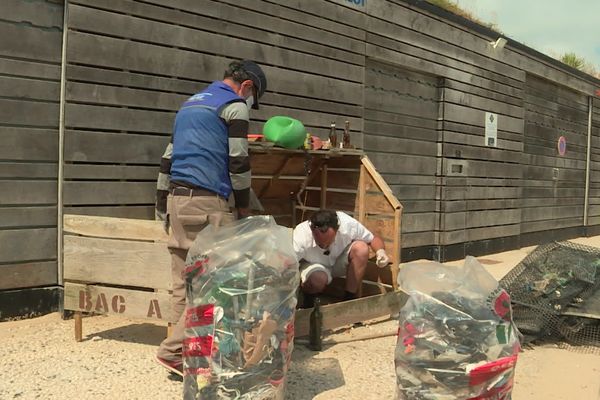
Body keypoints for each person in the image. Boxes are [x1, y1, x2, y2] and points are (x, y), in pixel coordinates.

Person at [155, 60, 267, 376]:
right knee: (216, 282)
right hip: (209, 203)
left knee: (183, 283)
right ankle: (174, 351)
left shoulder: (189, 106)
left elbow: (168, 158)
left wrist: (162, 206)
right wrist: (243, 208)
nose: (250, 105)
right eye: (252, 97)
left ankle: (186, 357)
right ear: (246, 87)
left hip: (178, 200)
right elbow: (239, 162)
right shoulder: (233, 107)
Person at [292, 209, 390, 308]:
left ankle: (349, 300)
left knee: (361, 248)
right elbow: (288, 263)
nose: (325, 246)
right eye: (320, 243)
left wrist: (380, 251)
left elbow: (372, 239)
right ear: (312, 232)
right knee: (318, 279)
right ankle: (308, 301)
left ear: (337, 230)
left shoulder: (347, 225)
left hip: (338, 261)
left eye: (329, 241)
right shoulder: (301, 234)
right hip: (313, 265)